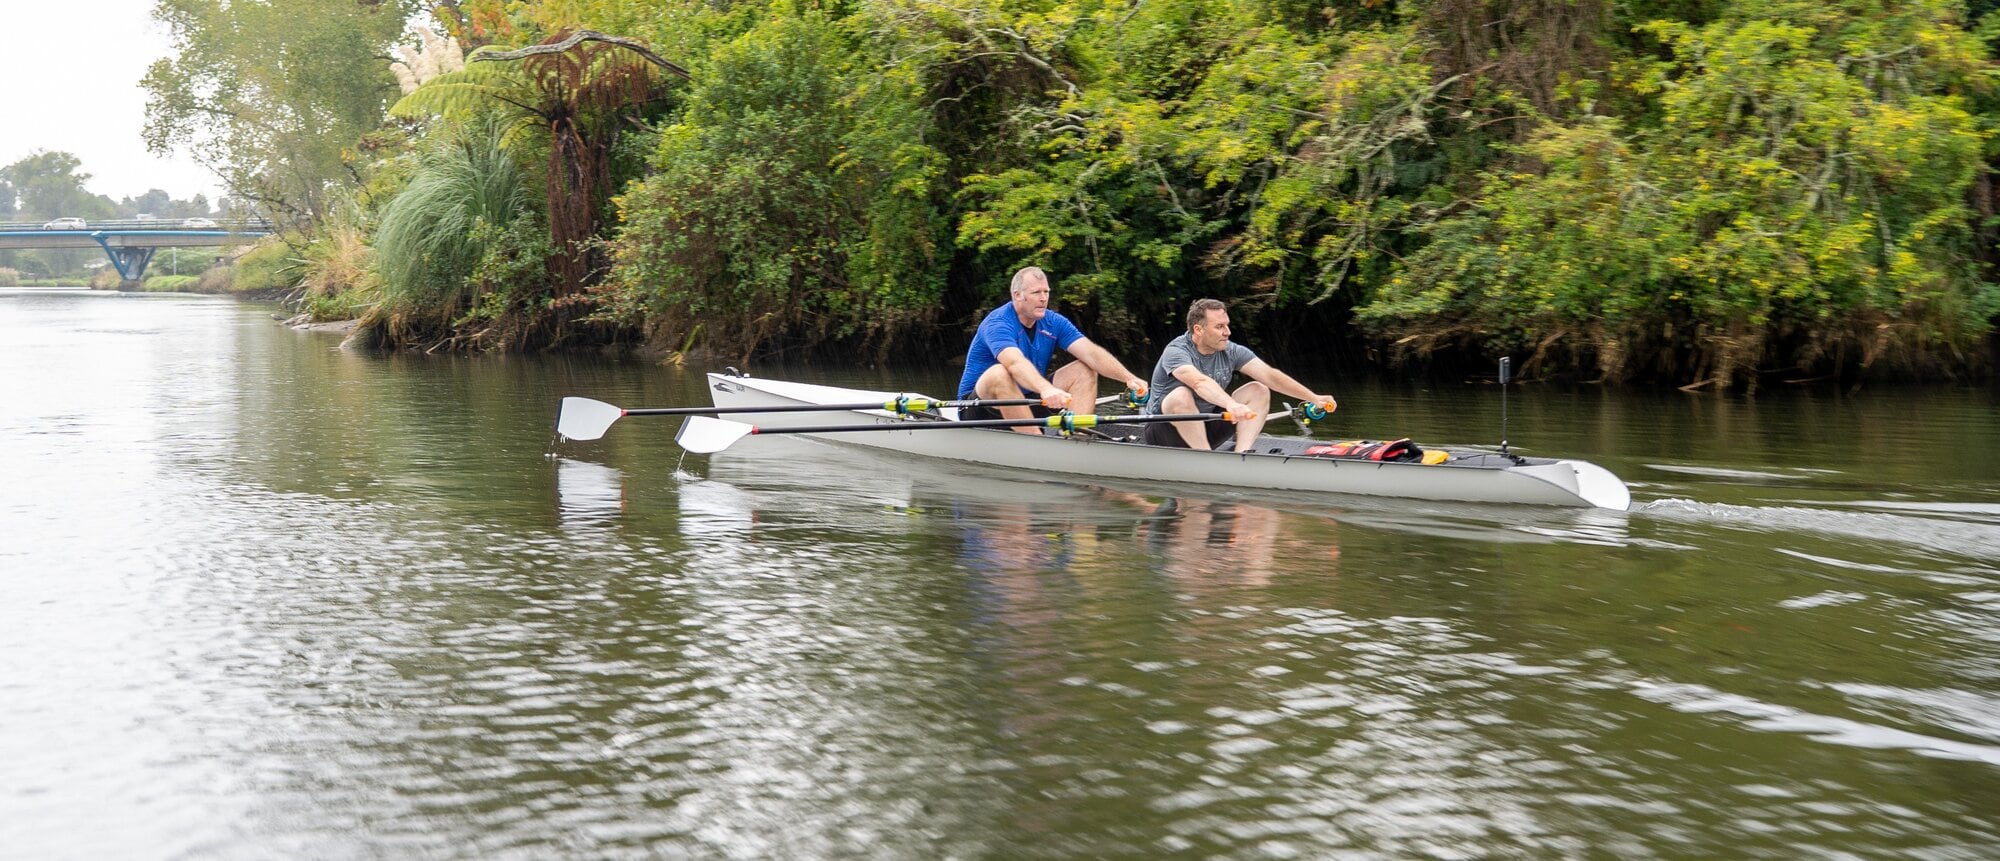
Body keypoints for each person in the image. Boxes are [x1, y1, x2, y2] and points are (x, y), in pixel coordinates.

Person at [957, 266, 1149, 434]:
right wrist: (1046, 389)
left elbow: (1091, 353)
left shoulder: (1053, 321)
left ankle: (1078, 440)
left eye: (1046, 292)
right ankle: (1035, 442)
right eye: (1036, 293)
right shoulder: (998, 323)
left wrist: (1128, 378)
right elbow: (1015, 363)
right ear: (1017, 295)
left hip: (1027, 400)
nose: (1043, 299)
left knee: (1085, 369)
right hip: (979, 408)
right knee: (999, 372)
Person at [1142, 298, 1337, 451]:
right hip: (1163, 431)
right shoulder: (1176, 351)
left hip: (1205, 427)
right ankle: (1204, 459)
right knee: (1180, 395)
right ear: (1198, 330)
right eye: (1219, 327)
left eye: (1227, 325)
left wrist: (1313, 397)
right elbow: (1199, 382)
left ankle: (1241, 455)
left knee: (1259, 389)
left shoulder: (1231, 351)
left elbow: (1270, 375)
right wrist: (1231, 405)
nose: (1227, 332)